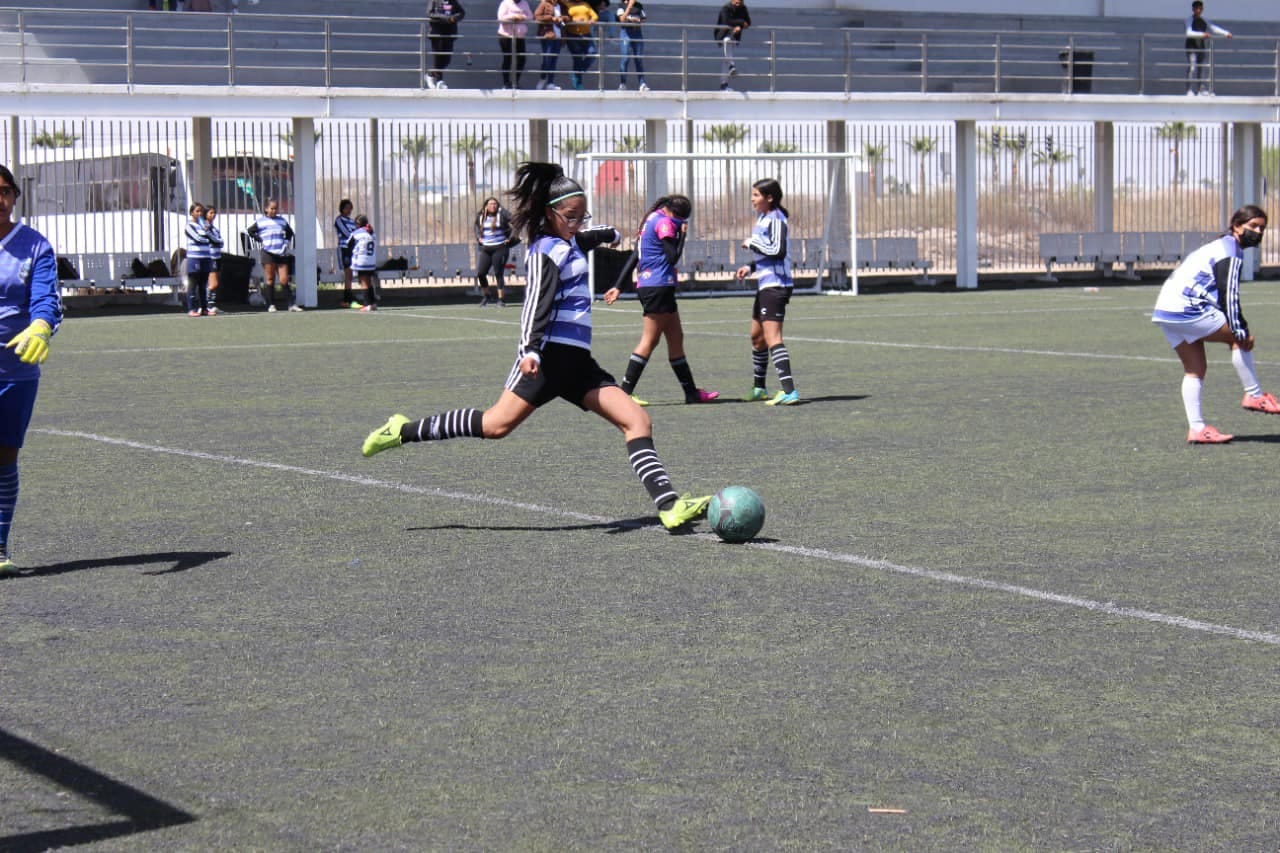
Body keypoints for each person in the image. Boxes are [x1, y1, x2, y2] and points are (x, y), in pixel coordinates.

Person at [362, 161, 712, 532]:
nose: (578, 223)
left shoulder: (569, 239)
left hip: (578, 364)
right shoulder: (546, 250)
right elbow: (536, 304)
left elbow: (584, 238)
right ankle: (402, 430)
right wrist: (529, 350)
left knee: (637, 419)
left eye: (582, 216)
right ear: (550, 213)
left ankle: (670, 507)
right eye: (572, 217)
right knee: (495, 425)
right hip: (545, 359)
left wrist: (605, 233)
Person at [1151, 205, 1270, 444]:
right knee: (1241, 339)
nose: (1257, 232)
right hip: (1186, 309)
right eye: (1253, 226)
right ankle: (1255, 395)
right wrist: (1241, 329)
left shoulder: (1219, 246)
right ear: (1236, 226)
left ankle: (1197, 429)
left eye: (1262, 228)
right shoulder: (1231, 251)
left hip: (1166, 311)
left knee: (1195, 369)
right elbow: (1229, 296)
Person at [0, 164, 63, 576]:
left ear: (14, 197)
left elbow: (47, 299)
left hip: (15, 369)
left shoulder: (35, 246)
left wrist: (41, 324)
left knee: (4, 457)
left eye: (4, 191)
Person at [603, 194, 717, 405]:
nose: (681, 223)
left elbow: (636, 255)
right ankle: (624, 394)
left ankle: (691, 393)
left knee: (676, 338)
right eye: (681, 219)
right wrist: (682, 235)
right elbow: (672, 257)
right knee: (649, 341)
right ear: (675, 214)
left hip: (655, 287)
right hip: (657, 287)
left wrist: (618, 285)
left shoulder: (651, 219)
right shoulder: (665, 224)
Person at [736, 177, 798, 406]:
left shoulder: (777, 219)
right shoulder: (763, 218)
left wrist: (751, 243)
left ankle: (789, 391)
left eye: (756, 195)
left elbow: (778, 250)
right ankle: (760, 388)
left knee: (773, 338)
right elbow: (767, 254)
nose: (752, 199)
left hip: (777, 285)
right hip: (765, 283)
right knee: (757, 336)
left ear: (769, 198)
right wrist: (750, 267)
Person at [246, 198, 299, 312]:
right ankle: (271, 304)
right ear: (266, 209)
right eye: (272, 208)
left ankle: (291, 304)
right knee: (270, 279)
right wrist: (259, 239)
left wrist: (285, 242)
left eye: (276, 208)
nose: (274, 211)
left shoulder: (282, 221)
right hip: (268, 253)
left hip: (281, 252)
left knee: (284, 279)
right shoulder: (261, 221)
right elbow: (250, 231)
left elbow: (290, 233)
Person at [475, 196, 516, 307]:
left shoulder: (501, 215)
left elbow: (515, 222)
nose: (493, 206)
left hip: (500, 247)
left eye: (495, 204)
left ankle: (501, 299)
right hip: (486, 248)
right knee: (481, 273)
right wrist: (478, 237)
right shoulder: (481, 216)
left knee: (498, 273)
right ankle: (487, 296)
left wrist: (510, 238)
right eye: (490, 204)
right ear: (486, 206)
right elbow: (476, 227)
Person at [1185, 0, 1231, 96]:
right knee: (1192, 67)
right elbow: (1189, 33)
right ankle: (1189, 89)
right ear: (1193, 9)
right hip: (1191, 46)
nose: (1198, 10)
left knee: (1201, 68)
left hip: (1200, 46)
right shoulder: (1189, 20)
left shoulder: (1204, 20)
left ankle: (1200, 89)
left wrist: (1226, 33)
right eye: (1197, 8)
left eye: (1200, 8)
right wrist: (1202, 34)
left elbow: (1213, 28)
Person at [426, 0, 467, 90]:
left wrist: (453, 18)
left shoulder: (453, 1)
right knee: (438, 58)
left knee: (446, 60)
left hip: (449, 33)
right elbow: (430, 14)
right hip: (437, 33)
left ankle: (430, 74)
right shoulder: (434, 1)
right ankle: (439, 82)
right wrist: (445, 18)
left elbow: (461, 13)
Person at [184, 202, 213, 317]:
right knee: (193, 283)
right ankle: (191, 309)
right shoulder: (189, 226)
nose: (200, 213)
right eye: (197, 211)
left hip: (206, 257)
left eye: (201, 211)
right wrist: (207, 234)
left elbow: (214, 239)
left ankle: (204, 308)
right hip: (194, 258)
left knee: (203, 284)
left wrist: (207, 232)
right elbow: (198, 238)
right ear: (192, 213)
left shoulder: (204, 225)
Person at [345, 214, 379, 312]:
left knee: (363, 282)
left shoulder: (356, 233)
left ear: (357, 224)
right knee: (369, 282)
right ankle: (373, 303)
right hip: (371, 261)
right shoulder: (372, 233)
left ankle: (367, 304)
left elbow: (348, 245)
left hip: (361, 260)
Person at [714, 0, 750, 93]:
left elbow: (748, 22)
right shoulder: (725, 8)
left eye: (740, 2)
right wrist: (741, 22)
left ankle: (724, 84)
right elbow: (727, 21)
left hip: (734, 35)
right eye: (736, 2)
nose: (738, 3)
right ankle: (732, 66)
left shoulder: (743, 9)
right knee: (727, 41)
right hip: (723, 34)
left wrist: (740, 27)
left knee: (726, 60)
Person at [497, 0, 533, 89]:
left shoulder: (524, 3)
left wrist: (523, 17)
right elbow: (500, 17)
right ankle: (506, 83)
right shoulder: (505, 3)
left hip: (519, 36)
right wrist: (513, 17)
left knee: (521, 59)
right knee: (508, 58)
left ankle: (515, 82)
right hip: (506, 35)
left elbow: (530, 16)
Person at [534, 0, 569, 90]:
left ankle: (550, 83)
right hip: (548, 35)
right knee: (547, 59)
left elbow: (568, 18)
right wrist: (551, 18)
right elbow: (537, 16)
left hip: (558, 36)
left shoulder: (562, 5)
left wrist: (562, 18)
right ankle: (542, 79)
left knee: (554, 60)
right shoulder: (544, 3)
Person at [564, 0, 598, 90]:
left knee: (592, 53)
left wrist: (592, 20)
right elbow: (563, 18)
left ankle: (576, 74)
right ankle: (578, 84)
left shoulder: (585, 4)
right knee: (577, 58)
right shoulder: (567, 5)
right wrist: (573, 20)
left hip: (586, 34)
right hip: (573, 35)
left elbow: (594, 16)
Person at [616, 0, 648, 92]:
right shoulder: (621, 5)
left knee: (638, 58)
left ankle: (642, 83)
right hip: (626, 32)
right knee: (625, 58)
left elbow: (644, 18)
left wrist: (638, 20)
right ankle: (622, 83)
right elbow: (622, 19)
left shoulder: (639, 5)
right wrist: (629, 7)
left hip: (637, 32)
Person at [334, 198, 358, 307]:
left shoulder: (352, 221)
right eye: (346, 208)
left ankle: (348, 297)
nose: (348, 210)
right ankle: (347, 298)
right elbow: (346, 233)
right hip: (344, 248)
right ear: (342, 208)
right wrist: (354, 237)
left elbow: (356, 232)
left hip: (352, 249)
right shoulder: (339, 220)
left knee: (350, 274)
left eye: (350, 208)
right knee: (347, 272)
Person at [204, 205, 223, 316]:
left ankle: (212, 304)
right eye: (211, 213)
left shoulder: (214, 228)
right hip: (210, 257)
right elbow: (215, 240)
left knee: (215, 283)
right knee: (213, 284)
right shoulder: (205, 227)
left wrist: (218, 241)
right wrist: (218, 241)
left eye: (214, 212)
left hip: (217, 256)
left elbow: (220, 242)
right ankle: (207, 305)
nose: (213, 215)